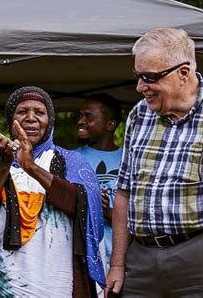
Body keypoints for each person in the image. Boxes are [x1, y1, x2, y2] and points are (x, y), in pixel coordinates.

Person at [107, 28, 203, 298]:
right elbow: (124, 192)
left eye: (149, 77)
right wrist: (118, 264)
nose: (140, 87)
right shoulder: (138, 115)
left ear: (183, 73)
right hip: (142, 260)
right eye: (138, 76)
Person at [0, 86, 105, 297]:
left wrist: (32, 168)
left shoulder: (71, 162)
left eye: (39, 112)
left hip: (60, 284)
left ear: (50, 121)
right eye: (22, 112)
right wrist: (2, 167)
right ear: (11, 119)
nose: (31, 118)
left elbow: (86, 208)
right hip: (7, 284)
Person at [76, 93, 123, 275]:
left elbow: (141, 215)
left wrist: (109, 212)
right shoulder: (71, 159)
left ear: (110, 125)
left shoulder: (130, 160)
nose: (80, 121)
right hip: (84, 261)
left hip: (122, 260)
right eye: (80, 115)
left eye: (89, 116)